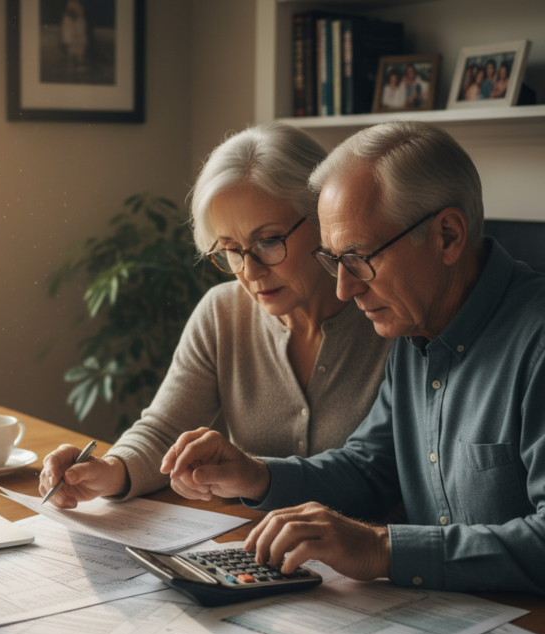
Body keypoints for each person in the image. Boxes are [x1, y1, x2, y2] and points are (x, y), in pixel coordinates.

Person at [162, 120, 545, 595]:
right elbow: (369, 468)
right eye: (334, 260)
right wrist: (256, 474)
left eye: (360, 257)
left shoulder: (535, 342)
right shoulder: (415, 329)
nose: (346, 288)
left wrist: (380, 548)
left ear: (447, 235)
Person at [39, 124, 392, 508]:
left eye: (269, 242)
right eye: (230, 250)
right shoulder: (222, 312)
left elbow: (381, 474)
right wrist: (109, 470)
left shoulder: (389, 318)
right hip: (250, 549)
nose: (251, 272)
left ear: (322, 217)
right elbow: (164, 430)